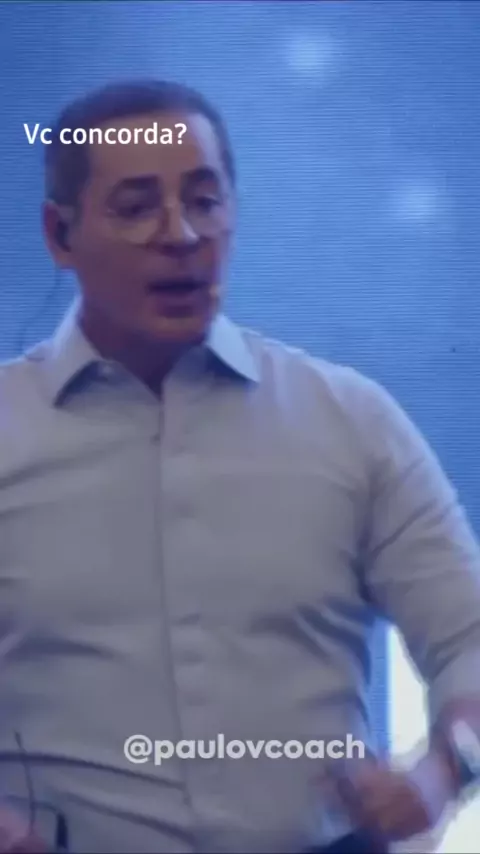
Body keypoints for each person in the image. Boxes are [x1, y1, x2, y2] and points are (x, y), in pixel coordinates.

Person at [0, 78, 480, 854]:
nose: (181, 234)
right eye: (135, 207)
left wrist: (446, 769)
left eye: (205, 200)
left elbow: (469, 637)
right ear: (60, 234)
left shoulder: (349, 420)